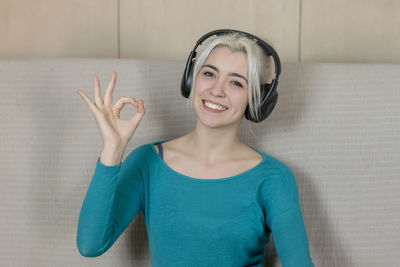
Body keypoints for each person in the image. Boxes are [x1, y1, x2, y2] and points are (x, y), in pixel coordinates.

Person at [76, 29, 315, 266]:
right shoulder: (147, 162)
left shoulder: (274, 178)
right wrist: (113, 149)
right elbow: (91, 245)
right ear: (191, 80)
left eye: (236, 82)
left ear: (256, 100)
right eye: (209, 73)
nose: (216, 90)